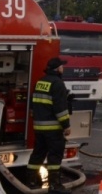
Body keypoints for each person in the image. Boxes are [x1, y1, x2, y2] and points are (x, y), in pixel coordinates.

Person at [27, 57, 72, 194]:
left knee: (38, 154)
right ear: (58, 69)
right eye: (62, 67)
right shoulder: (58, 83)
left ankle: (31, 181)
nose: (63, 68)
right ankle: (55, 186)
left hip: (39, 127)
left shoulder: (40, 81)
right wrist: (66, 125)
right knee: (54, 156)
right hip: (53, 128)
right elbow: (60, 108)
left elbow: (33, 104)